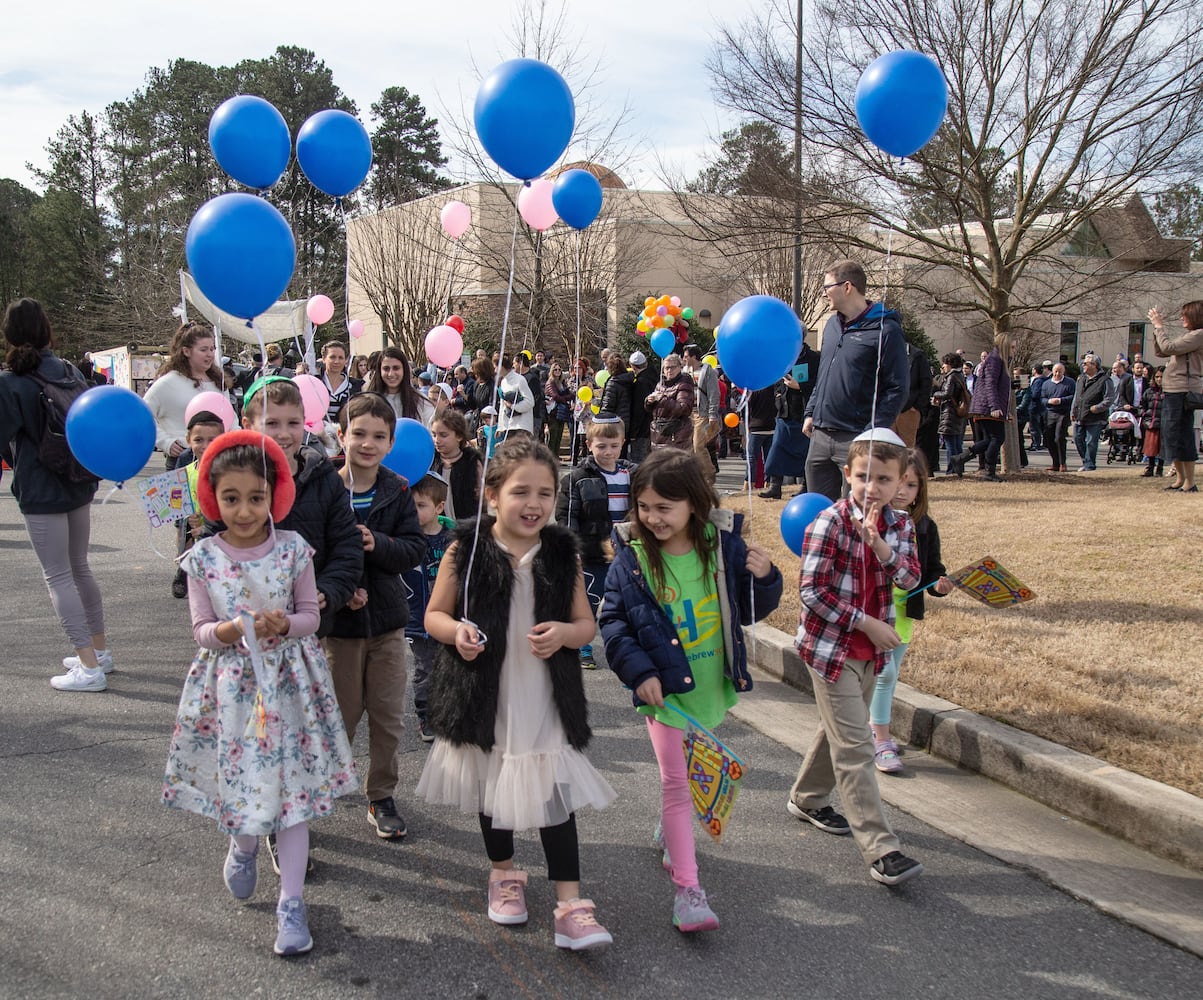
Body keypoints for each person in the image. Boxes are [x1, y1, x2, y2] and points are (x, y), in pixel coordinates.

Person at [416, 437, 616, 951]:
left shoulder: (561, 552)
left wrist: (565, 635)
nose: (534, 504)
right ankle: (503, 874)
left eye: (545, 493)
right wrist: (456, 632)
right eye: (520, 491)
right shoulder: (468, 550)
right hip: (486, 691)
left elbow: (585, 626)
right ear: (491, 495)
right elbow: (433, 615)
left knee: (554, 795)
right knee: (492, 784)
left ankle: (571, 905)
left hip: (544, 694)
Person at [162, 431, 357, 956]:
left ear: (274, 496)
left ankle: (291, 904)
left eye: (255, 497)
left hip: (292, 686)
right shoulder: (201, 557)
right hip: (231, 691)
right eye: (231, 498)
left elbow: (311, 617)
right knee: (248, 790)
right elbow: (202, 628)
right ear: (213, 499)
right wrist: (231, 630)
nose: (245, 510)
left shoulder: (294, 548)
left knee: (293, 801)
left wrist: (284, 624)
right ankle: (244, 845)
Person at [599, 448, 783, 931]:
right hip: (664, 694)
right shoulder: (632, 561)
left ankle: (669, 829)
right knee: (677, 785)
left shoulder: (721, 547)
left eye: (665, 507)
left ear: (694, 505)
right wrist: (641, 675)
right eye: (644, 507)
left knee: (685, 776)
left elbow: (749, 610)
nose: (653, 518)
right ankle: (688, 891)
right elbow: (615, 626)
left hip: (709, 686)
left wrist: (766, 579)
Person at [787, 428, 923, 886]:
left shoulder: (901, 527)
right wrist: (864, 622)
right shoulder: (829, 522)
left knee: (839, 732)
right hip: (831, 650)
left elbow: (908, 579)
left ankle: (806, 797)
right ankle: (881, 849)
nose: (873, 487)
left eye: (885, 479)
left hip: (873, 654)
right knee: (857, 746)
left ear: (901, 481)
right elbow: (811, 592)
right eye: (864, 476)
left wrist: (879, 546)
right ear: (847, 475)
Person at [326, 393, 426, 842]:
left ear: (389, 444)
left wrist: (376, 544)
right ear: (341, 434)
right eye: (359, 433)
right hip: (339, 630)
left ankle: (381, 795)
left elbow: (413, 549)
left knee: (388, 717)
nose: (367, 443)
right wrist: (339, 591)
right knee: (339, 716)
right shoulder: (322, 486)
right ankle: (320, 784)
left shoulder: (397, 489)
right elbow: (306, 549)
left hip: (386, 624)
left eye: (379, 436)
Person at [0, 298, 110, 691]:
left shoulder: (9, 382)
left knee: (58, 574)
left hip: (40, 487)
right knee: (80, 567)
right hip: (78, 479)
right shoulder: (66, 369)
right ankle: (98, 652)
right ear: (47, 329)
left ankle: (88, 666)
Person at [869, 450, 951, 774]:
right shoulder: (875, 522)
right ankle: (881, 740)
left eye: (912, 485)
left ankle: (873, 730)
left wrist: (939, 586)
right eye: (898, 482)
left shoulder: (925, 526)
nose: (903, 492)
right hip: (875, 610)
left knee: (888, 676)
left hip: (903, 614)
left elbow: (932, 570)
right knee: (884, 674)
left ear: (921, 490)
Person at [804, 261, 910, 501]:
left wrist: (872, 430)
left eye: (827, 287)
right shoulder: (831, 326)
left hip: (857, 438)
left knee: (856, 516)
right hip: (820, 436)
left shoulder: (886, 330)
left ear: (847, 287)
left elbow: (897, 387)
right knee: (820, 515)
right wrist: (811, 411)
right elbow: (824, 374)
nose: (823, 293)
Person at [555, 417, 634, 669]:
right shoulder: (577, 479)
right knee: (587, 601)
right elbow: (567, 517)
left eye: (613, 445)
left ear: (623, 443)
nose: (607, 451)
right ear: (589, 445)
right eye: (601, 446)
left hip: (628, 553)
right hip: (591, 554)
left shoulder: (634, 474)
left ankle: (626, 649)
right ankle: (582, 646)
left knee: (627, 604)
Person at [402, 474, 456, 743]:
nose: (414, 511)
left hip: (448, 617)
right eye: (410, 505)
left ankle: (445, 710)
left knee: (448, 665)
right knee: (425, 667)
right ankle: (425, 714)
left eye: (421, 505)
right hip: (417, 618)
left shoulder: (452, 540)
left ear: (439, 507)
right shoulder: (406, 539)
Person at [144, 322, 224, 470]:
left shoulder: (219, 381)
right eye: (203, 349)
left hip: (219, 459)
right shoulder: (168, 382)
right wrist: (165, 442)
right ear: (186, 351)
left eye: (212, 349)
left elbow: (230, 419)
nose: (210, 354)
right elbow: (143, 415)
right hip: (183, 459)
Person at [170, 411, 225, 599]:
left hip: (217, 519)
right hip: (191, 511)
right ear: (188, 439)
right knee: (184, 535)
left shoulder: (228, 466)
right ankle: (183, 570)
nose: (205, 446)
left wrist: (205, 524)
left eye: (212, 440)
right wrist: (184, 517)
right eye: (199, 440)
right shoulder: (186, 461)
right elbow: (176, 493)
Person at [1148, 302, 1203, 493]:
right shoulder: (1190, 336)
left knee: (1182, 435)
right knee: (1171, 435)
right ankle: (1180, 479)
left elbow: (1169, 347)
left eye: (1184, 315)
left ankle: (1189, 482)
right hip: (1173, 390)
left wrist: (1159, 327)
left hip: (1182, 390)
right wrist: (1156, 332)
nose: (1181, 318)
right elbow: (1161, 350)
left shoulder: (1198, 335)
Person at [761, 341, 820, 499]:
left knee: (805, 453)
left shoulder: (814, 358)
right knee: (777, 448)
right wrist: (779, 394)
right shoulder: (784, 358)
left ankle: (806, 486)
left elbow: (819, 384)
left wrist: (800, 386)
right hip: (785, 412)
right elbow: (778, 381)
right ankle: (775, 486)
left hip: (803, 411)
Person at [948, 337, 1012, 481]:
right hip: (987, 407)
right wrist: (994, 406)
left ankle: (960, 458)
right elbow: (990, 384)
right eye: (1012, 347)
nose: (1013, 351)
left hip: (987, 406)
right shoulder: (995, 360)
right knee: (997, 438)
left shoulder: (997, 359)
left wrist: (1005, 410)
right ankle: (989, 471)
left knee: (991, 439)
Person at [430, 408, 483, 520]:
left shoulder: (472, 462)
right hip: (438, 528)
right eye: (434, 435)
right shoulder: (430, 461)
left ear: (459, 436)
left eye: (443, 435)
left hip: (467, 526)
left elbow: (482, 497)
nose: (437, 440)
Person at [366, 347, 435, 428]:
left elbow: (429, 433)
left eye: (396, 368)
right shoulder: (368, 402)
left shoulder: (421, 402)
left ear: (404, 370)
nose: (391, 374)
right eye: (386, 369)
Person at [1070, 353, 1114, 472]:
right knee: (1078, 438)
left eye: (1086, 363)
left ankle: (1090, 465)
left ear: (1094, 365)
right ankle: (1086, 461)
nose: (1083, 365)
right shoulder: (1081, 378)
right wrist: (1072, 411)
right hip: (1080, 415)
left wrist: (1098, 407)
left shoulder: (1105, 380)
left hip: (1095, 417)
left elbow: (1109, 398)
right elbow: (1076, 396)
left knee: (1091, 442)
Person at [644, 353, 696, 452]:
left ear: (679, 367)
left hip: (676, 434)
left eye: (673, 367)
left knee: (675, 464)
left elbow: (684, 408)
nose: (669, 370)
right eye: (666, 368)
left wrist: (662, 399)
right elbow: (651, 409)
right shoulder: (660, 384)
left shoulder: (684, 383)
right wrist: (649, 401)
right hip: (658, 433)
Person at [931, 353, 968, 474]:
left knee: (950, 443)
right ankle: (958, 468)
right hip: (957, 412)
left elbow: (947, 393)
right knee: (957, 442)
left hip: (949, 412)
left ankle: (952, 469)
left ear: (950, 364)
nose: (943, 366)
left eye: (945, 363)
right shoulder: (960, 375)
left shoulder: (952, 376)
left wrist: (936, 394)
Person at [1040, 363, 1076, 472]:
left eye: (1060, 371)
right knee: (1049, 439)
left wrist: (1060, 400)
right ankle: (1055, 462)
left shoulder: (1070, 383)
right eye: (1055, 371)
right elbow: (1042, 398)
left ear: (1063, 371)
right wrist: (1048, 401)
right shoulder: (1046, 384)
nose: (1057, 374)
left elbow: (1073, 397)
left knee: (1059, 437)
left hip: (1063, 413)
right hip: (1050, 413)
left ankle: (1062, 463)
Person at [597, 355, 635, 452]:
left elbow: (607, 406)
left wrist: (601, 423)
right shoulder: (629, 381)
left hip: (613, 424)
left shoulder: (613, 383)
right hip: (626, 422)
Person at [320, 341, 362, 426]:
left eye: (340, 358)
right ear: (324, 359)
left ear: (346, 360)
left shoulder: (355, 386)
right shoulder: (316, 383)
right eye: (332, 357)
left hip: (345, 435)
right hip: (316, 435)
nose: (336, 361)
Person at [626, 351, 658, 464]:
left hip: (641, 430)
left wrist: (633, 432)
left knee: (639, 462)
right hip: (653, 427)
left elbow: (638, 410)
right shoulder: (655, 378)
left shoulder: (640, 383)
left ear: (633, 366)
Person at [496, 354, 535, 440]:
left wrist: (513, 406)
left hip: (521, 426)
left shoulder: (520, 380)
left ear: (502, 367)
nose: (495, 370)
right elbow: (503, 406)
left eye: (496, 367)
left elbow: (530, 402)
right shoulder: (503, 382)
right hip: (508, 427)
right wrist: (500, 426)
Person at [1140, 366, 1167, 477]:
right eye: (1157, 377)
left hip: (1164, 423)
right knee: (1150, 447)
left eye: (1162, 377)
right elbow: (1142, 405)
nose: (1159, 379)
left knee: (1161, 447)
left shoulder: (1169, 392)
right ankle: (1150, 468)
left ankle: (1160, 468)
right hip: (1151, 422)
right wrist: (1144, 415)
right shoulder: (1149, 391)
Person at [544, 362, 575, 458]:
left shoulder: (562, 383)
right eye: (555, 369)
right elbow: (555, 396)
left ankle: (556, 457)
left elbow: (571, 395)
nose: (557, 371)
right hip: (553, 413)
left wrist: (564, 398)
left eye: (559, 369)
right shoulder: (550, 382)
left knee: (558, 437)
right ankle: (550, 458)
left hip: (561, 413)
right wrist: (565, 399)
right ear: (551, 371)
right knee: (552, 437)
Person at [516, 353, 547, 443]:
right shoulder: (519, 378)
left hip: (532, 417)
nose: (513, 366)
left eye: (515, 363)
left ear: (520, 363)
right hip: (521, 417)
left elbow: (535, 398)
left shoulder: (531, 378)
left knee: (530, 444)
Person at [1029, 362, 1052, 450]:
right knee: (1037, 426)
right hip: (1041, 406)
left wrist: (1028, 395)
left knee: (1034, 426)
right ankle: (1036, 443)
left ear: (1035, 370)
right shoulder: (1045, 380)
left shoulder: (1038, 381)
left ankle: (1036, 444)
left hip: (1035, 406)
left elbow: (1035, 394)